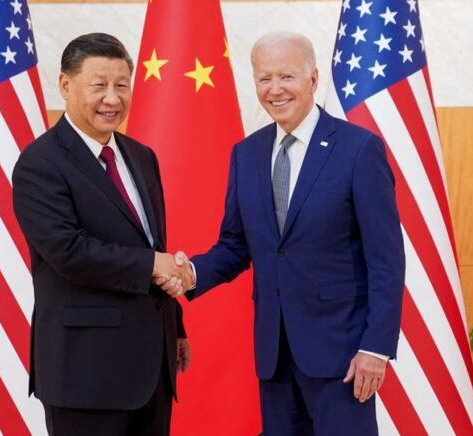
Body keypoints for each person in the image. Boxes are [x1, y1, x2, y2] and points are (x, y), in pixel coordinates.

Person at [171, 32, 405, 435]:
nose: (275, 89)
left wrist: (376, 348)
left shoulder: (358, 149)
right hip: (274, 354)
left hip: (344, 355)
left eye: (286, 76)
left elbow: (386, 258)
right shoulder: (246, 153)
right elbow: (236, 244)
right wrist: (191, 273)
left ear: (313, 79)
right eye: (264, 78)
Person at [12, 33, 194, 436]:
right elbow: (67, 251)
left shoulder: (141, 157)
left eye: (121, 85)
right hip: (85, 374)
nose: (112, 99)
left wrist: (174, 326)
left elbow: (151, 245)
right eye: (99, 86)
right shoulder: (39, 163)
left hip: (152, 370)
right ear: (65, 85)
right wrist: (151, 264)